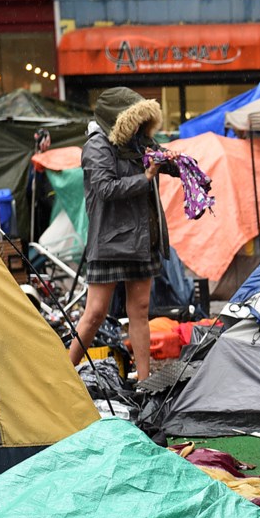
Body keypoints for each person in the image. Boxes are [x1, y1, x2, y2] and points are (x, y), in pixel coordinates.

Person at [68, 87, 178, 382]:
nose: (140, 128)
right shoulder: (96, 146)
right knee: (95, 314)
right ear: (119, 120)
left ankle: (144, 384)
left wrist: (178, 164)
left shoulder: (141, 142)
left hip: (143, 240)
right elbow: (105, 188)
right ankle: (61, 376)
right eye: (134, 121)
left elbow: (162, 160)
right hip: (110, 241)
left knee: (140, 311)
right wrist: (145, 178)